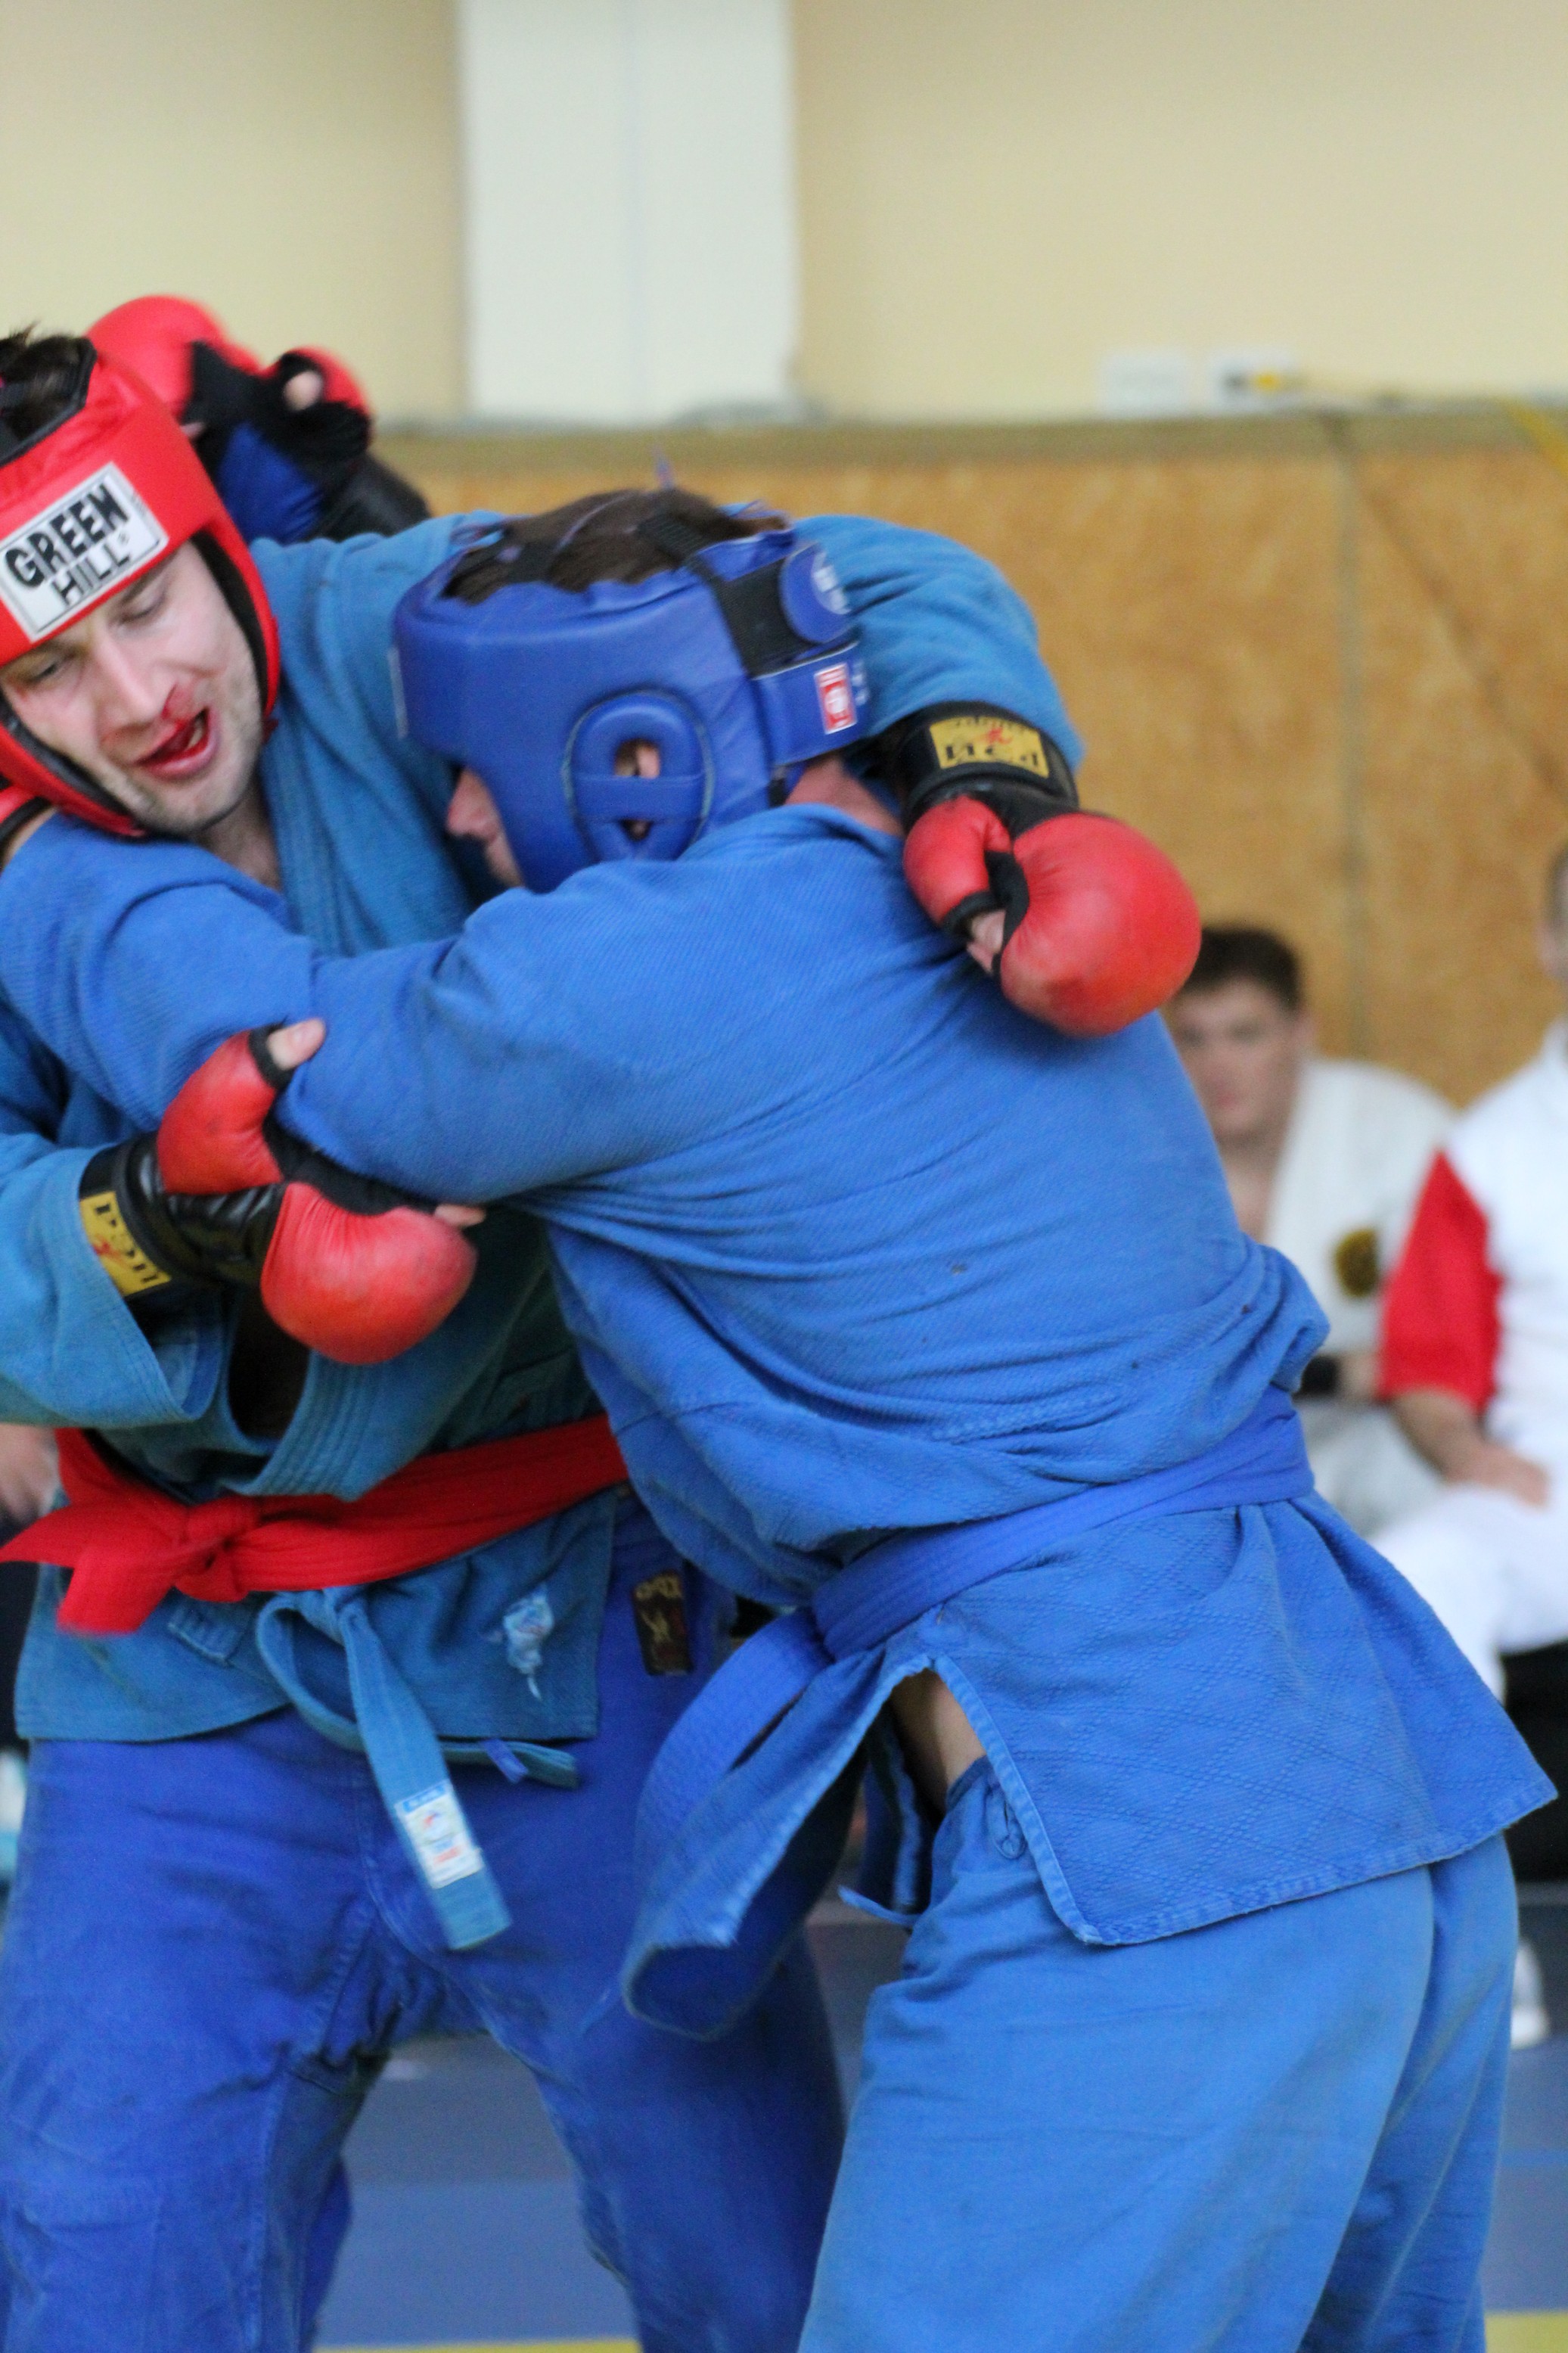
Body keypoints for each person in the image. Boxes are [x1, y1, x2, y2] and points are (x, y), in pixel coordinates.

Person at [3, 496, 1548, 2353]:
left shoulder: (628, 976)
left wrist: (37, 854)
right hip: (1392, 1787)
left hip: (1141, 1844)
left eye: (476, 768)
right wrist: (981, 747)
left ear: (628, 755)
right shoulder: (944, 879)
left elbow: (291, 1068)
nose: (457, 823)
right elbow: (864, 575)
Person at [0, 328, 1008, 2351]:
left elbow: (874, 582)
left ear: (216, 545)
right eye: (49, 671)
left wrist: (997, 766)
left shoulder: (397, 631)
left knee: (763, 2273)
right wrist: (158, 1220)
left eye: (153, 606)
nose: (140, 696)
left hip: (586, 1622)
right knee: (100, 2275)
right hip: (188, 1675)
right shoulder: (29, 880)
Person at [1168, 925, 1450, 1534]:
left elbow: (1449, 1340)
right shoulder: (1137, 1158)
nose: (1217, 1067)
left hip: (1384, 1443)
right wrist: (1341, 1373)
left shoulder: (1394, 1127)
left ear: (1301, 1032)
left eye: (1245, 1035)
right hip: (1209, 1467)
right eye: (1193, 1038)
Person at [1375, 846, 1568, 1695]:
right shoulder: (1488, 1150)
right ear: (1551, 944)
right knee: (1410, 1575)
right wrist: (1462, 1448)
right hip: (1550, 1487)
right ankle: (1473, 1795)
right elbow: (1426, 1369)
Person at [88, 294, 430, 544]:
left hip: (364, 529)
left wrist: (311, 383)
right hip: (290, 571)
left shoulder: (261, 410)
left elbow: (343, 424)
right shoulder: (182, 475)